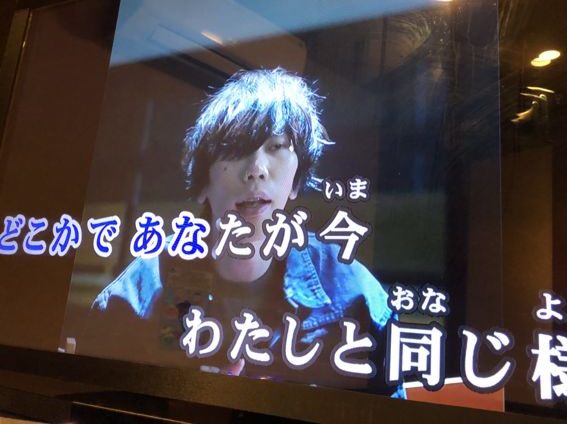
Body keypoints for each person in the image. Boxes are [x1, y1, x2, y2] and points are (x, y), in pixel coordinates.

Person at [82, 68, 401, 397]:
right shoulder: (137, 294)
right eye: (235, 149)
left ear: (296, 181)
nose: (256, 170)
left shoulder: (355, 295)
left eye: (276, 146)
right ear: (202, 184)